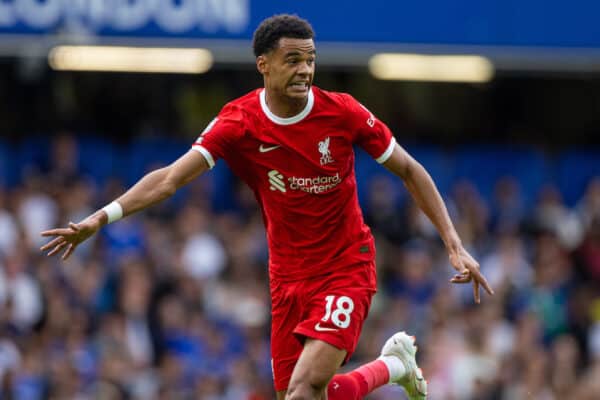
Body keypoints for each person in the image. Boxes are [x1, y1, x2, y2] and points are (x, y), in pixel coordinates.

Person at [41, 14, 493, 400]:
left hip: (346, 267)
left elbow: (411, 171)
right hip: (287, 279)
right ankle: (391, 368)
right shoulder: (239, 122)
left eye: (310, 59)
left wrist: (454, 244)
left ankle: (392, 366)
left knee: (302, 390)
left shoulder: (343, 113)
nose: (305, 70)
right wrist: (101, 217)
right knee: (302, 395)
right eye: (292, 60)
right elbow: (170, 179)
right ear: (264, 64)